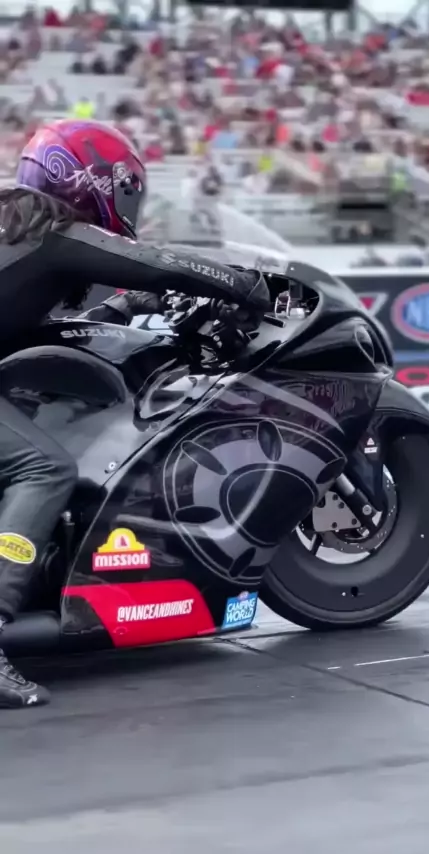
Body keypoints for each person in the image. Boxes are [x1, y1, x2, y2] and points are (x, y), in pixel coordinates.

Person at [0, 118, 270, 709]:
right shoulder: (55, 230)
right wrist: (246, 284)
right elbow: (154, 260)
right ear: (95, 181)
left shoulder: (19, 224)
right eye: (125, 191)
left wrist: (130, 305)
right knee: (43, 468)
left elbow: (56, 320)